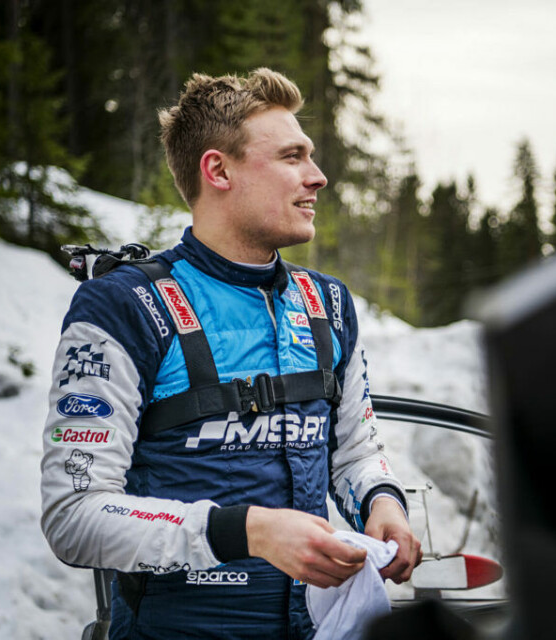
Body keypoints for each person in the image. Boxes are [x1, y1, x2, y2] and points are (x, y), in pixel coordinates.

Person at [40, 68, 421, 639]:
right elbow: (74, 515)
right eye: (292, 156)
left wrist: (382, 502)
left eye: (311, 156)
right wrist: (246, 531)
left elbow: (356, 453)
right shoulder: (123, 307)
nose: (317, 177)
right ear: (218, 169)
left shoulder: (329, 304)